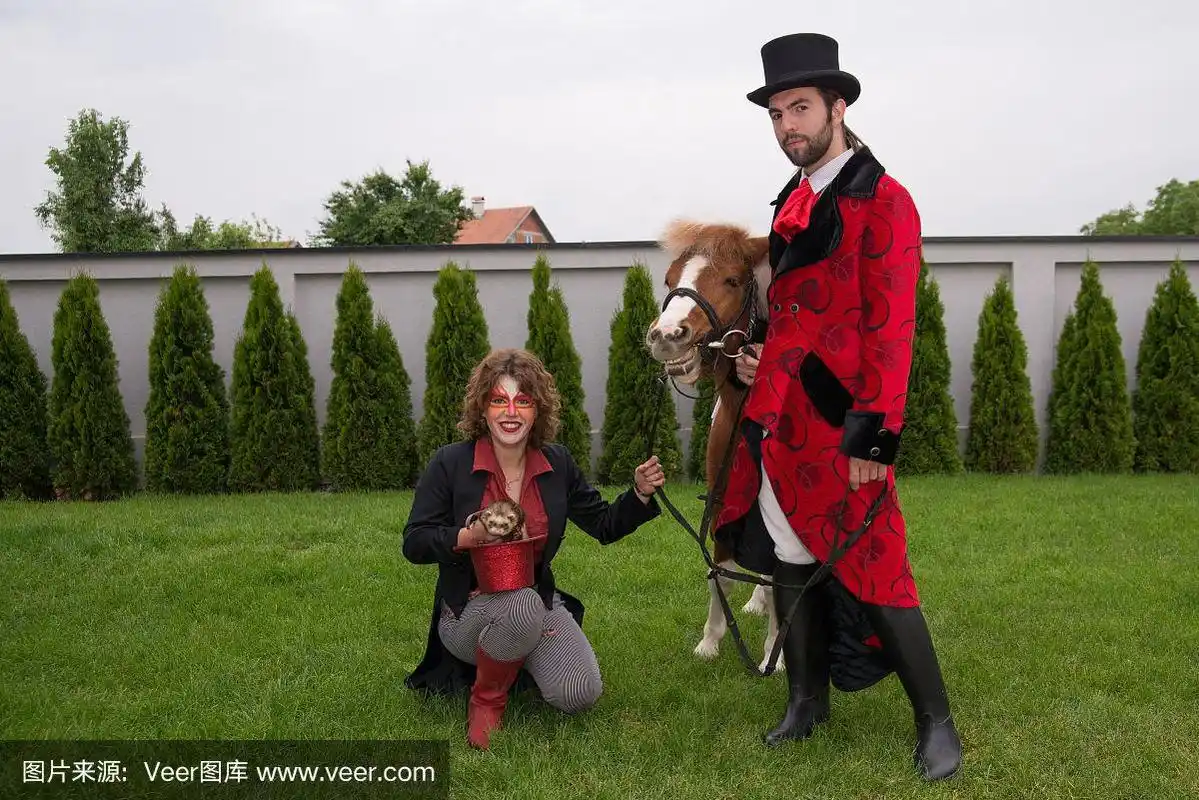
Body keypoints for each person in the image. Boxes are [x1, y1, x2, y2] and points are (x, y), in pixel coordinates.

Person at [710, 33, 963, 781]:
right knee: (791, 552)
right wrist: (764, 366)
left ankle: (937, 722)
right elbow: (799, 317)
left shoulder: (883, 201)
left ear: (837, 107)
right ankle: (805, 702)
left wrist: (873, 441)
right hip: (780, 421)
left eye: (800, 108)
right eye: (776, 113)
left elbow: (891, 333)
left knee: (877, 566)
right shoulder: (793, 199)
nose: (788, 125)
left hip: (846, 428)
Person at [401, 347, 666, 750]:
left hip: (536, 604)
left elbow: (604, 525)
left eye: (522, 400)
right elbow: (415, 542)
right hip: (467, 614)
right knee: (523, 604)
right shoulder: (450, 463)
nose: (510, 412)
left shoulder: (556, 464)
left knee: (579, 693)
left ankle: (515, 653)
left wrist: (641, 494)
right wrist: (466, 538)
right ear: (483, 409)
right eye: (499, 400)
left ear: (536, 410)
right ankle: (487, 700)